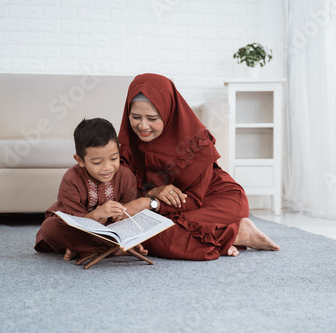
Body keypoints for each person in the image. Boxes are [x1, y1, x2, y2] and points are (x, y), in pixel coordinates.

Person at [118, 73, 280, 261]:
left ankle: (238, 234)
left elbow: (194, 199)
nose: (142, 126)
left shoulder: (196, 142)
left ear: (168, 112)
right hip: (172, 210)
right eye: (135, 117)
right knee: (144, 231)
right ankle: (234, 234)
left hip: (217, 200)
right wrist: (153, 194)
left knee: (154, 233)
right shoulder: (126, 144)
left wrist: (149, 203)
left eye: (153, 118)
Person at [34, 118, 143, 260]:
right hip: (80, 229)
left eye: (113, 158)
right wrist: (97, 214)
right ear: (80, 160)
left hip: (111, 230)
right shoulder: (71, 180)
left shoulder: (126, 176)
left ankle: (80, 249)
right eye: (97, 162)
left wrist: (119, 215)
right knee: (49, 228)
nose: (107, 167)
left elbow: (127, 215)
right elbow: (75, 222)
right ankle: (113, 250)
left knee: (143, 226)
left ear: (119, 150)